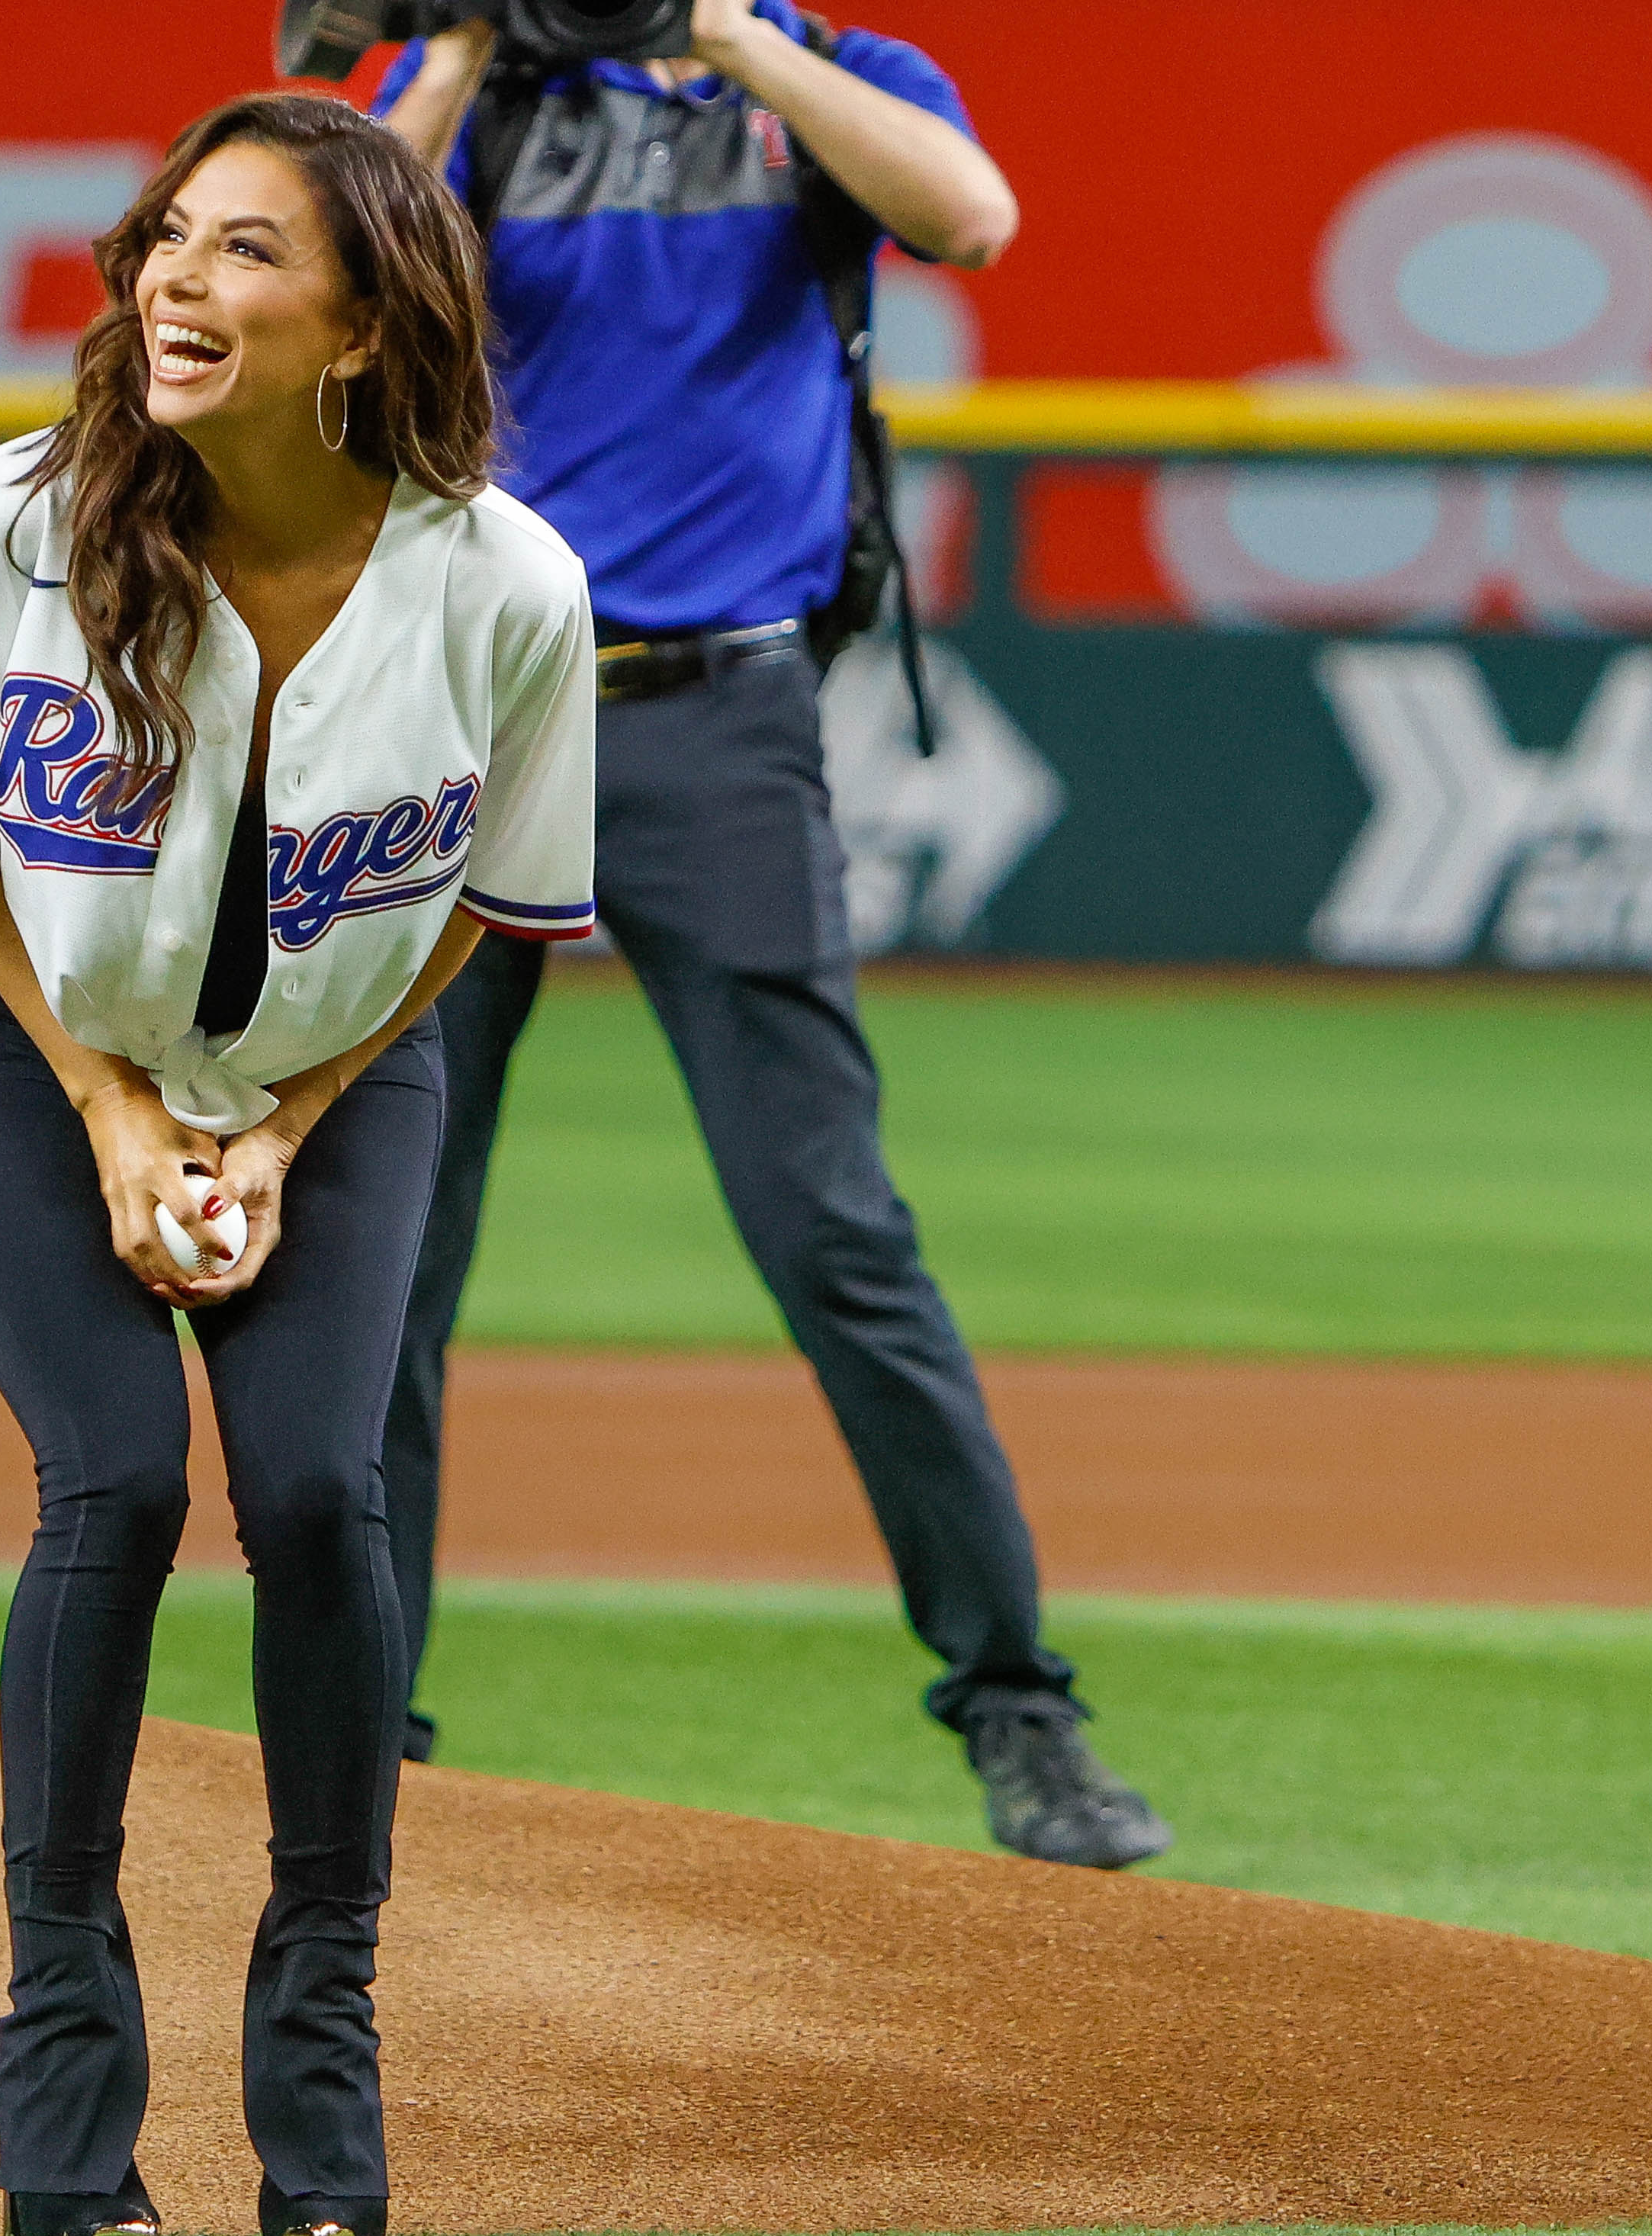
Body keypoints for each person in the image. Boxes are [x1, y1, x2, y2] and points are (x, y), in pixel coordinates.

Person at [0, 91, 595, 2236]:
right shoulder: (12, 519)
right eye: (169, 239)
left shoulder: (505, 585)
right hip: (18, 1052)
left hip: (339, 1079)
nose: (179, 280)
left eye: (247, 250)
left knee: (310, 1488)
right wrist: (113, 1112)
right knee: (113, 1476)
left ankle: (323, 2064)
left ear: (362, 323)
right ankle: (62, 2092)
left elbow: (486, 904)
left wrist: (280, 1124)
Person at [374, 1, 1171, 1868]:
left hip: (711, 720)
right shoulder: (469, 89)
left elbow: (971, 220)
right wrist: (476, 43)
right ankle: (359, 1733)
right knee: (388, 1249)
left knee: (831, 1224)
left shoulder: (831, 77)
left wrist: (725, 32)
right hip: (452, 710)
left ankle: (1018, 1706)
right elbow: (337, 256)